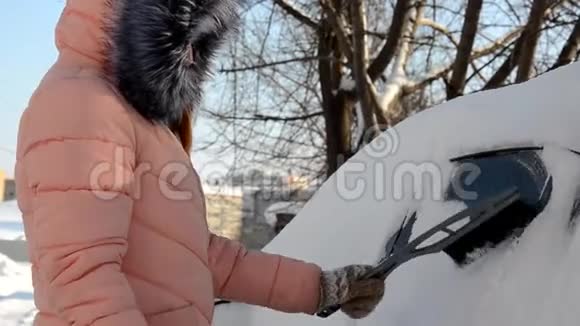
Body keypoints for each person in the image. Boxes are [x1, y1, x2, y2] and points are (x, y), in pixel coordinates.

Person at [14, 1, 385, 325]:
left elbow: (201, 258)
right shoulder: (82, 103)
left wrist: (320, 288)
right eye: (182, 35)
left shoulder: (140, 119)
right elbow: (82, 278)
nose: (191, 56)